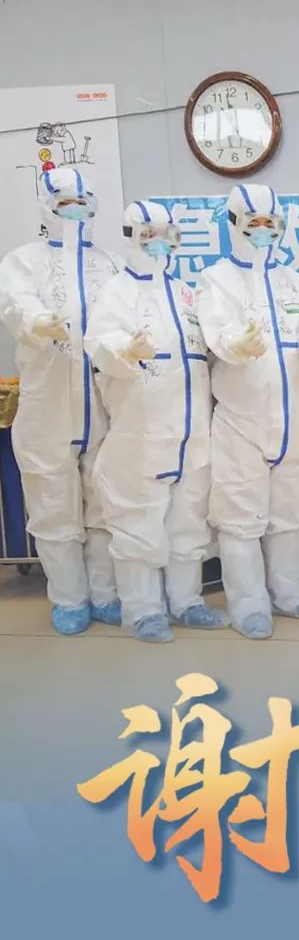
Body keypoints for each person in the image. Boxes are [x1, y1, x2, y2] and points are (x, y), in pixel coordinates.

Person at [195, 183, 299, 639]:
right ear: (233, 224)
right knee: (240, 519)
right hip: (241, 422)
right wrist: (238, 344)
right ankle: (249, 604)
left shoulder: (297, 284)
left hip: (293, 421)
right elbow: (217, 334)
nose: (262, 229)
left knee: (290, 513)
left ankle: (290, 593)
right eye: (253, 222)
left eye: (270, 222)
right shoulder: (216, 279)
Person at [85, 200, 226, 642]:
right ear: (130, 237)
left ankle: (186, 601)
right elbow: (99, 342)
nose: (158, 243)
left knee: (188, 520)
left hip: (191, 430)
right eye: (148, 235)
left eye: (165, 235)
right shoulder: (117, 291)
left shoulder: (184, 293)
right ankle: (143, 610)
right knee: (138, 520)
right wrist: (125, 350)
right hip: (141, 431)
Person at [0, 166, 120, 634]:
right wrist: (37, 321)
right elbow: (15, 304)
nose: (76, 210)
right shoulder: (23, 261)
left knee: (104, 504)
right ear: (46, 205)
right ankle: (70, 599)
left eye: (82, 201)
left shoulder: (109, 264)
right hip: (49, 406)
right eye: (66, 202)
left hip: (104, 406)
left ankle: (106, 594)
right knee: (53, 506)